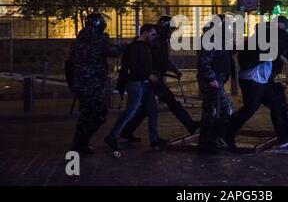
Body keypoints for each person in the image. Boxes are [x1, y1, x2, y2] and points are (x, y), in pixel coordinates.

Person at [224, 21, 288, 150]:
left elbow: (287, 54)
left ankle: (284, 137)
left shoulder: (268, 41)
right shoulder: (254, 43)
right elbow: (261, 54)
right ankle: (226, 134)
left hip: (262, 80)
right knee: (250, 109)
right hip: (252, 80)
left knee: (276, 104)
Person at [120, 16, 198, 142]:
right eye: (170, 30)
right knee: (170, 101)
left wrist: (174, 69)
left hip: (153, 77)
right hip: (152, 78)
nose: (172, 33)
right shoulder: (155, 40)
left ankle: (126, 130)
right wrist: (151, 74)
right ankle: (189, 125)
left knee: (146, 108)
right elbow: (153, 60)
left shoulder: (160, 40)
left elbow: (164, 60)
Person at [105, 24, 164, 152]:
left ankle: (154, 140)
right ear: (145, 33)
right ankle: (112, 136)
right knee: (130, 112)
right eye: (152, 34)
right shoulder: (133, 47)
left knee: (152, 110)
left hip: (145, 83)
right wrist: (149, 75)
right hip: (136, 84)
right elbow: (133, 67)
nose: (154, 37)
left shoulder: (146, 46)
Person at [70, 13, 122, 154]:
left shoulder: (78, 41)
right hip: (92, 84)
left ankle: (79, 143)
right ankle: (81, 142)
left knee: (85, 114)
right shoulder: (98, 40)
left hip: (80, 84)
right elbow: (114, 51)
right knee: (99, 113)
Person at [197, 14, 235, 154]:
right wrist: (211, 78)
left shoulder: (220, 38)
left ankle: (207, 141)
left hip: (218, 79)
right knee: (225, 110)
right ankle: (213, 139)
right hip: (212, 81)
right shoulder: (211, 38)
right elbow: (204, 61)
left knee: (210, 111)